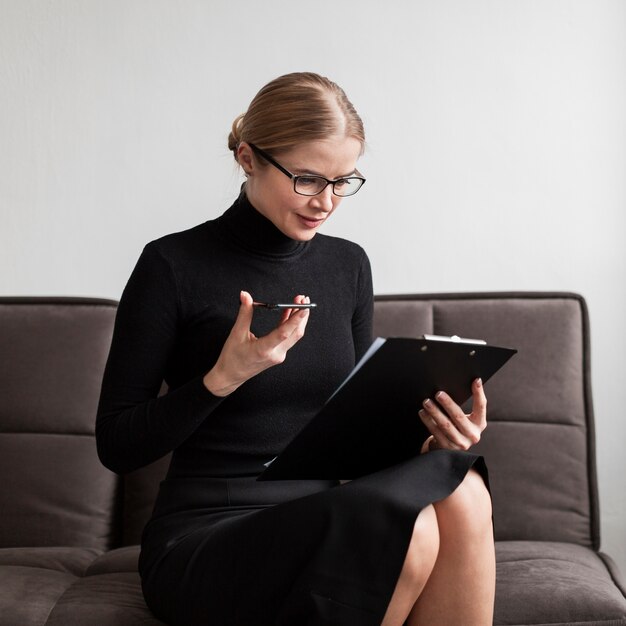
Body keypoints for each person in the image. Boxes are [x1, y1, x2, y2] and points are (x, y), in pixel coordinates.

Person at [96, 72, 495, 626]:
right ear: (247, 157)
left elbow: (355, 439)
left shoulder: (347, 265)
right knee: (407, 525)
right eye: (307, 179)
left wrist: (434, 440)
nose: (326, 201)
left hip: (325, 511)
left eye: (342, 181)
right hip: (206, 533)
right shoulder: (170, 266)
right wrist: (222, 378)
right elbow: (116, 446)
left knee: (463, 483)